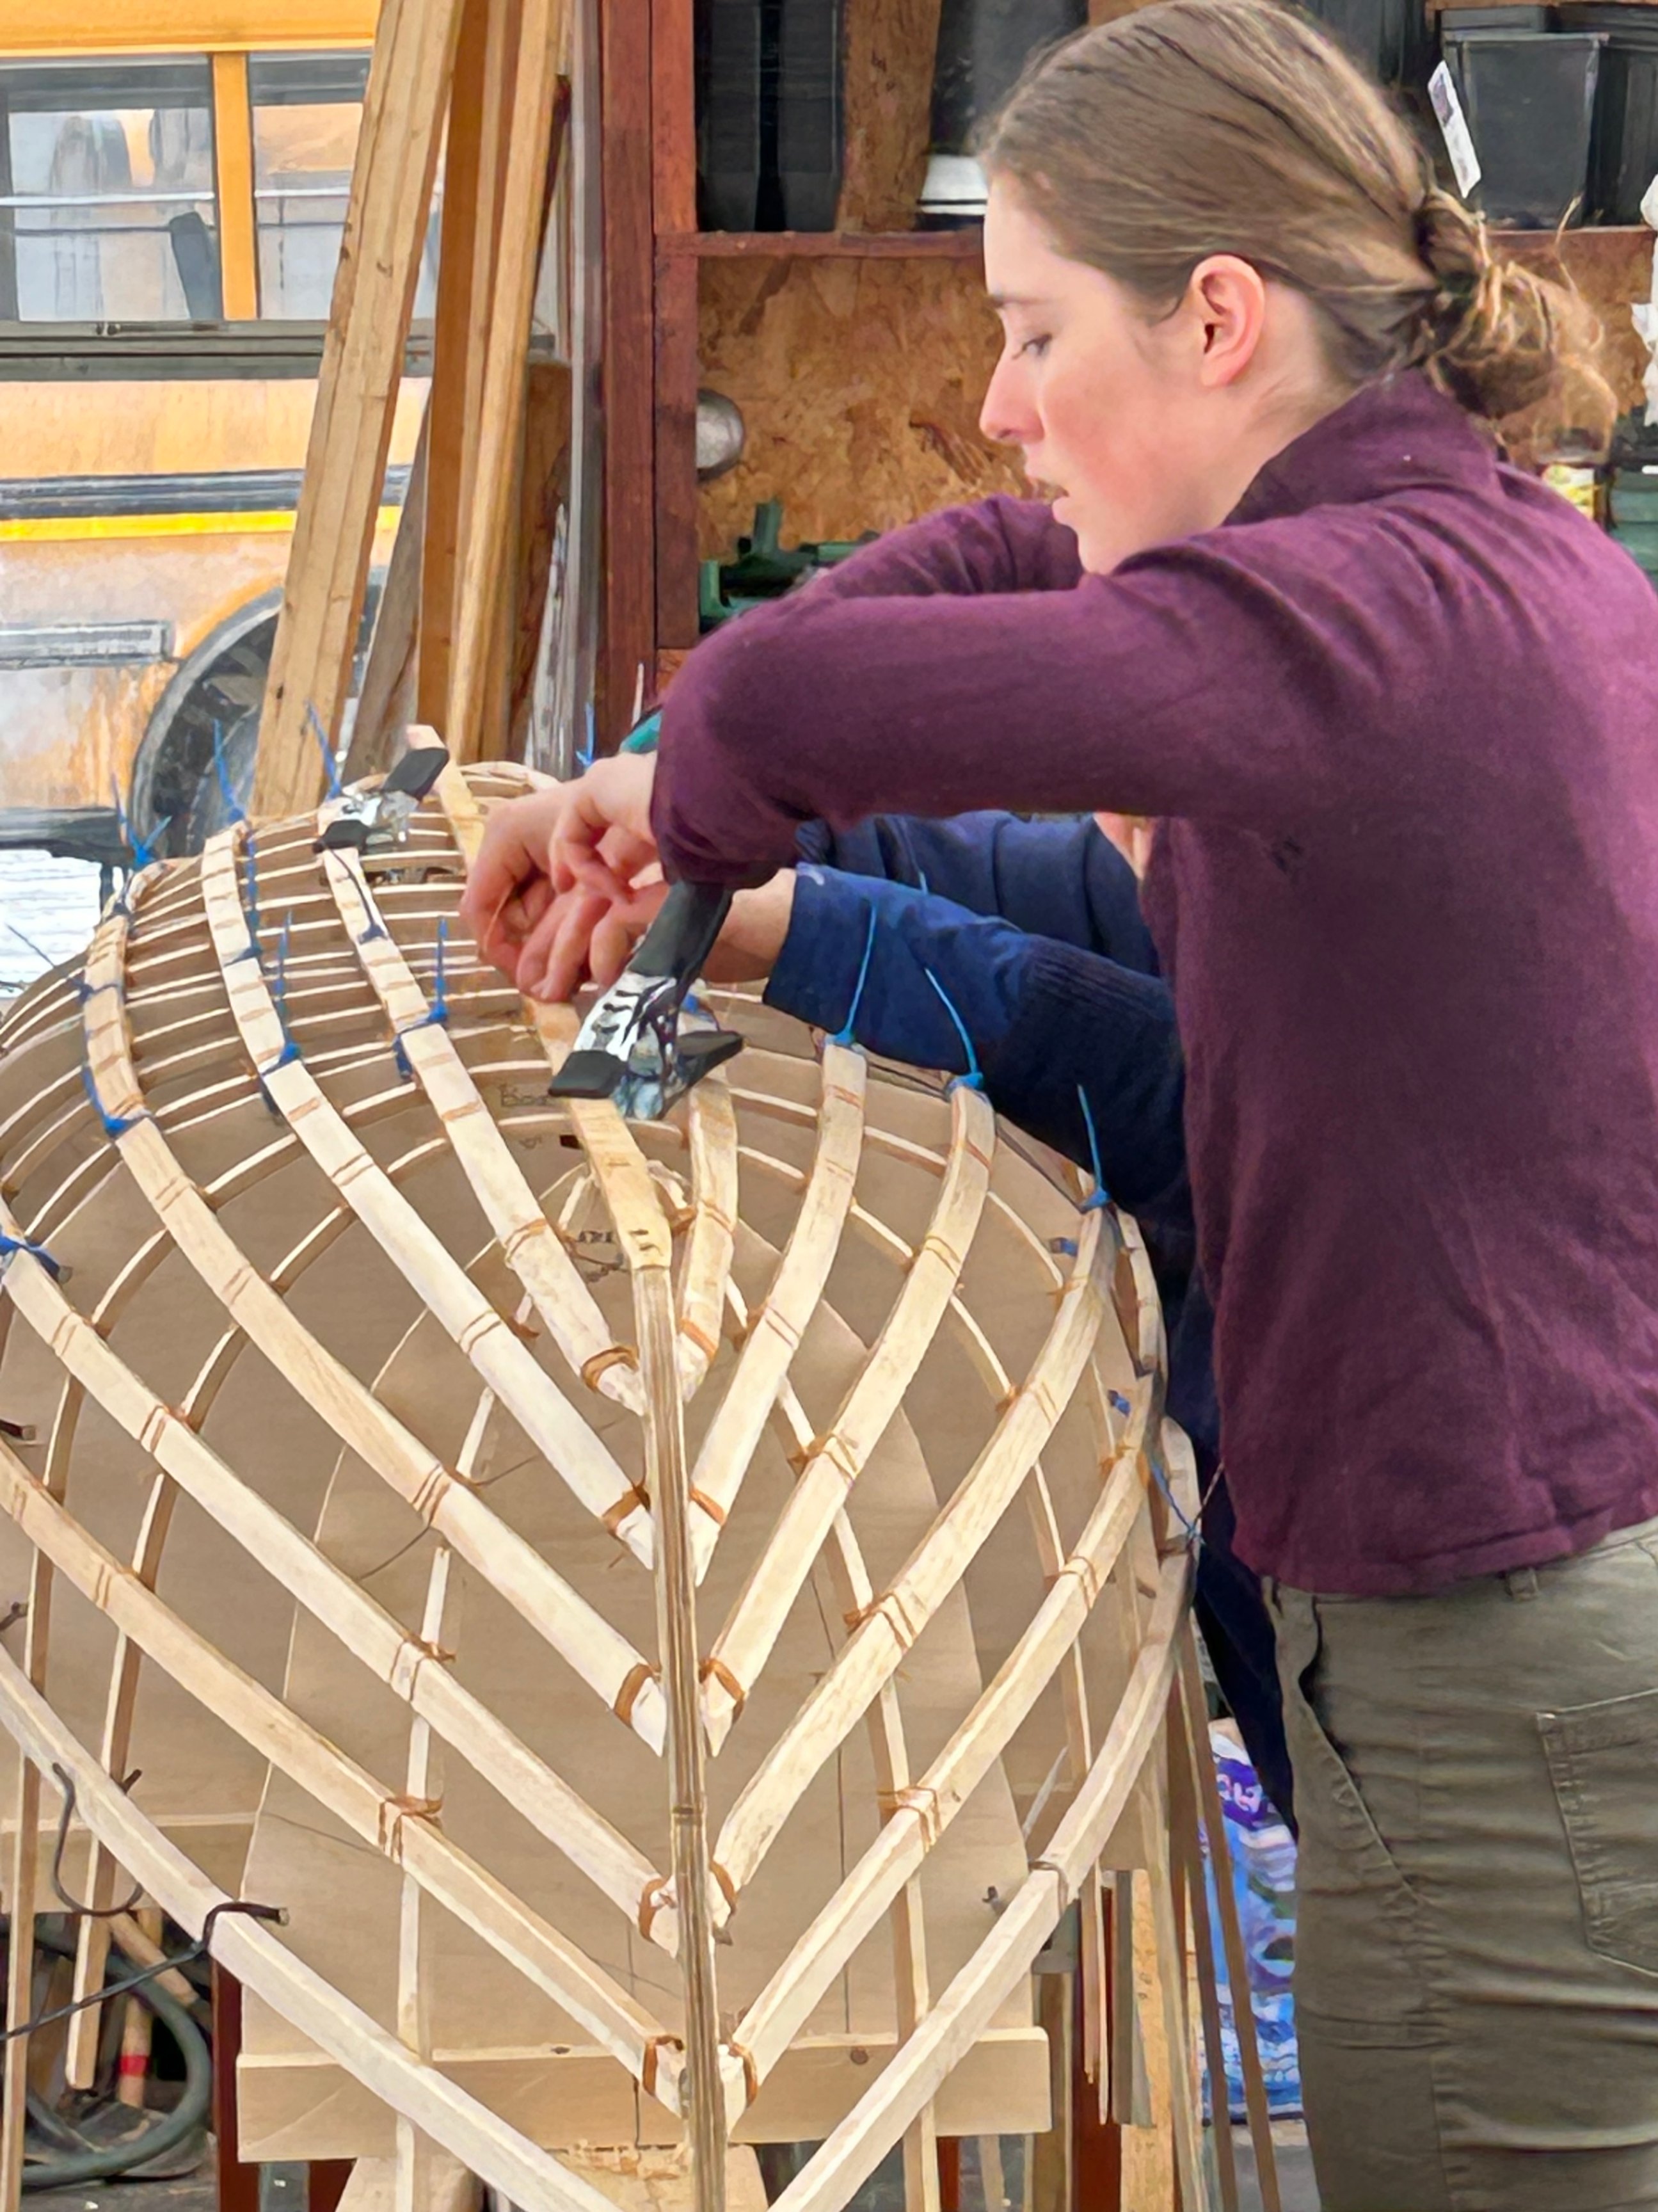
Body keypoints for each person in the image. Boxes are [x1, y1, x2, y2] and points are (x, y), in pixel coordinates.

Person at [461, 1, 1658, 2203]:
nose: (1000, 406)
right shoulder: (1462, 569)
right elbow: (1007, 596)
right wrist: (698, 820)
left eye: (1032, 331)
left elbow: (815, 691)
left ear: (1218, 318)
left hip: (1518, 1670)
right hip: (1498, 1630)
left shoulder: (1357, 633)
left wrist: (694, 787)